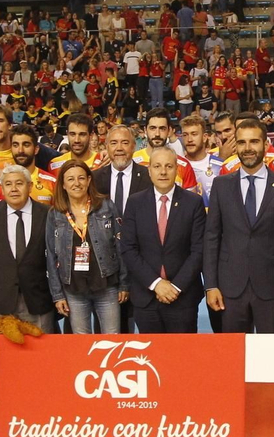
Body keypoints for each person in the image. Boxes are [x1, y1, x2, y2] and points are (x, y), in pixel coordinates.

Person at [204, 118, 274, 333]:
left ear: (266, 144)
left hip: (273, 287)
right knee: (232, 358)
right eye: (241, 143)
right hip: (230, 288)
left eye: (254, 142)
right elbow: (212, 238)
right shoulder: (221, 185)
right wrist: (211, 285)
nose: (248, 148)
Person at [120, 145, 208, 333]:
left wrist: (175, 287)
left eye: (168, 166)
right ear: (149, 170)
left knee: (182, 359)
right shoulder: (135, 202)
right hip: (146, 296)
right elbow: (128, 248)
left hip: (183, 298)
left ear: (177, 169)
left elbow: (199, 250)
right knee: (151, 359)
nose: (163, 172)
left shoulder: (193, 203)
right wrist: (156, 284)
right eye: (157, 166)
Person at [45, 159, 127, 333]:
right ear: (64, 185)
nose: (77, 183)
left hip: (106, 285)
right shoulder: (55, 214)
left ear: (89, 180)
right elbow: (51, 256)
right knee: (82, 345)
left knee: (112, 341)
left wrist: (124, 284)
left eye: (81, 178)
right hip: (73, 289)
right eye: (71, 179)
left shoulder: (106, 206)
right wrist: (57, 294)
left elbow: (120, 247)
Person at [0, 165, 57, 333]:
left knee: (42, 354)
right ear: (2, 189)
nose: (14, 189)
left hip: (38, 297)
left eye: (19, 183)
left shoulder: (48, 214)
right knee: (5, 355)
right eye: (8, 184)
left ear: (30, 186)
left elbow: (55, 253)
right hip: (1, 297)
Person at [92, 124, 153, 215]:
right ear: (107, 146)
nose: (119, 148)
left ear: (133, 146)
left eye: (125, 143)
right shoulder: (95, 178)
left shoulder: (148, 176)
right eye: (113, 143)